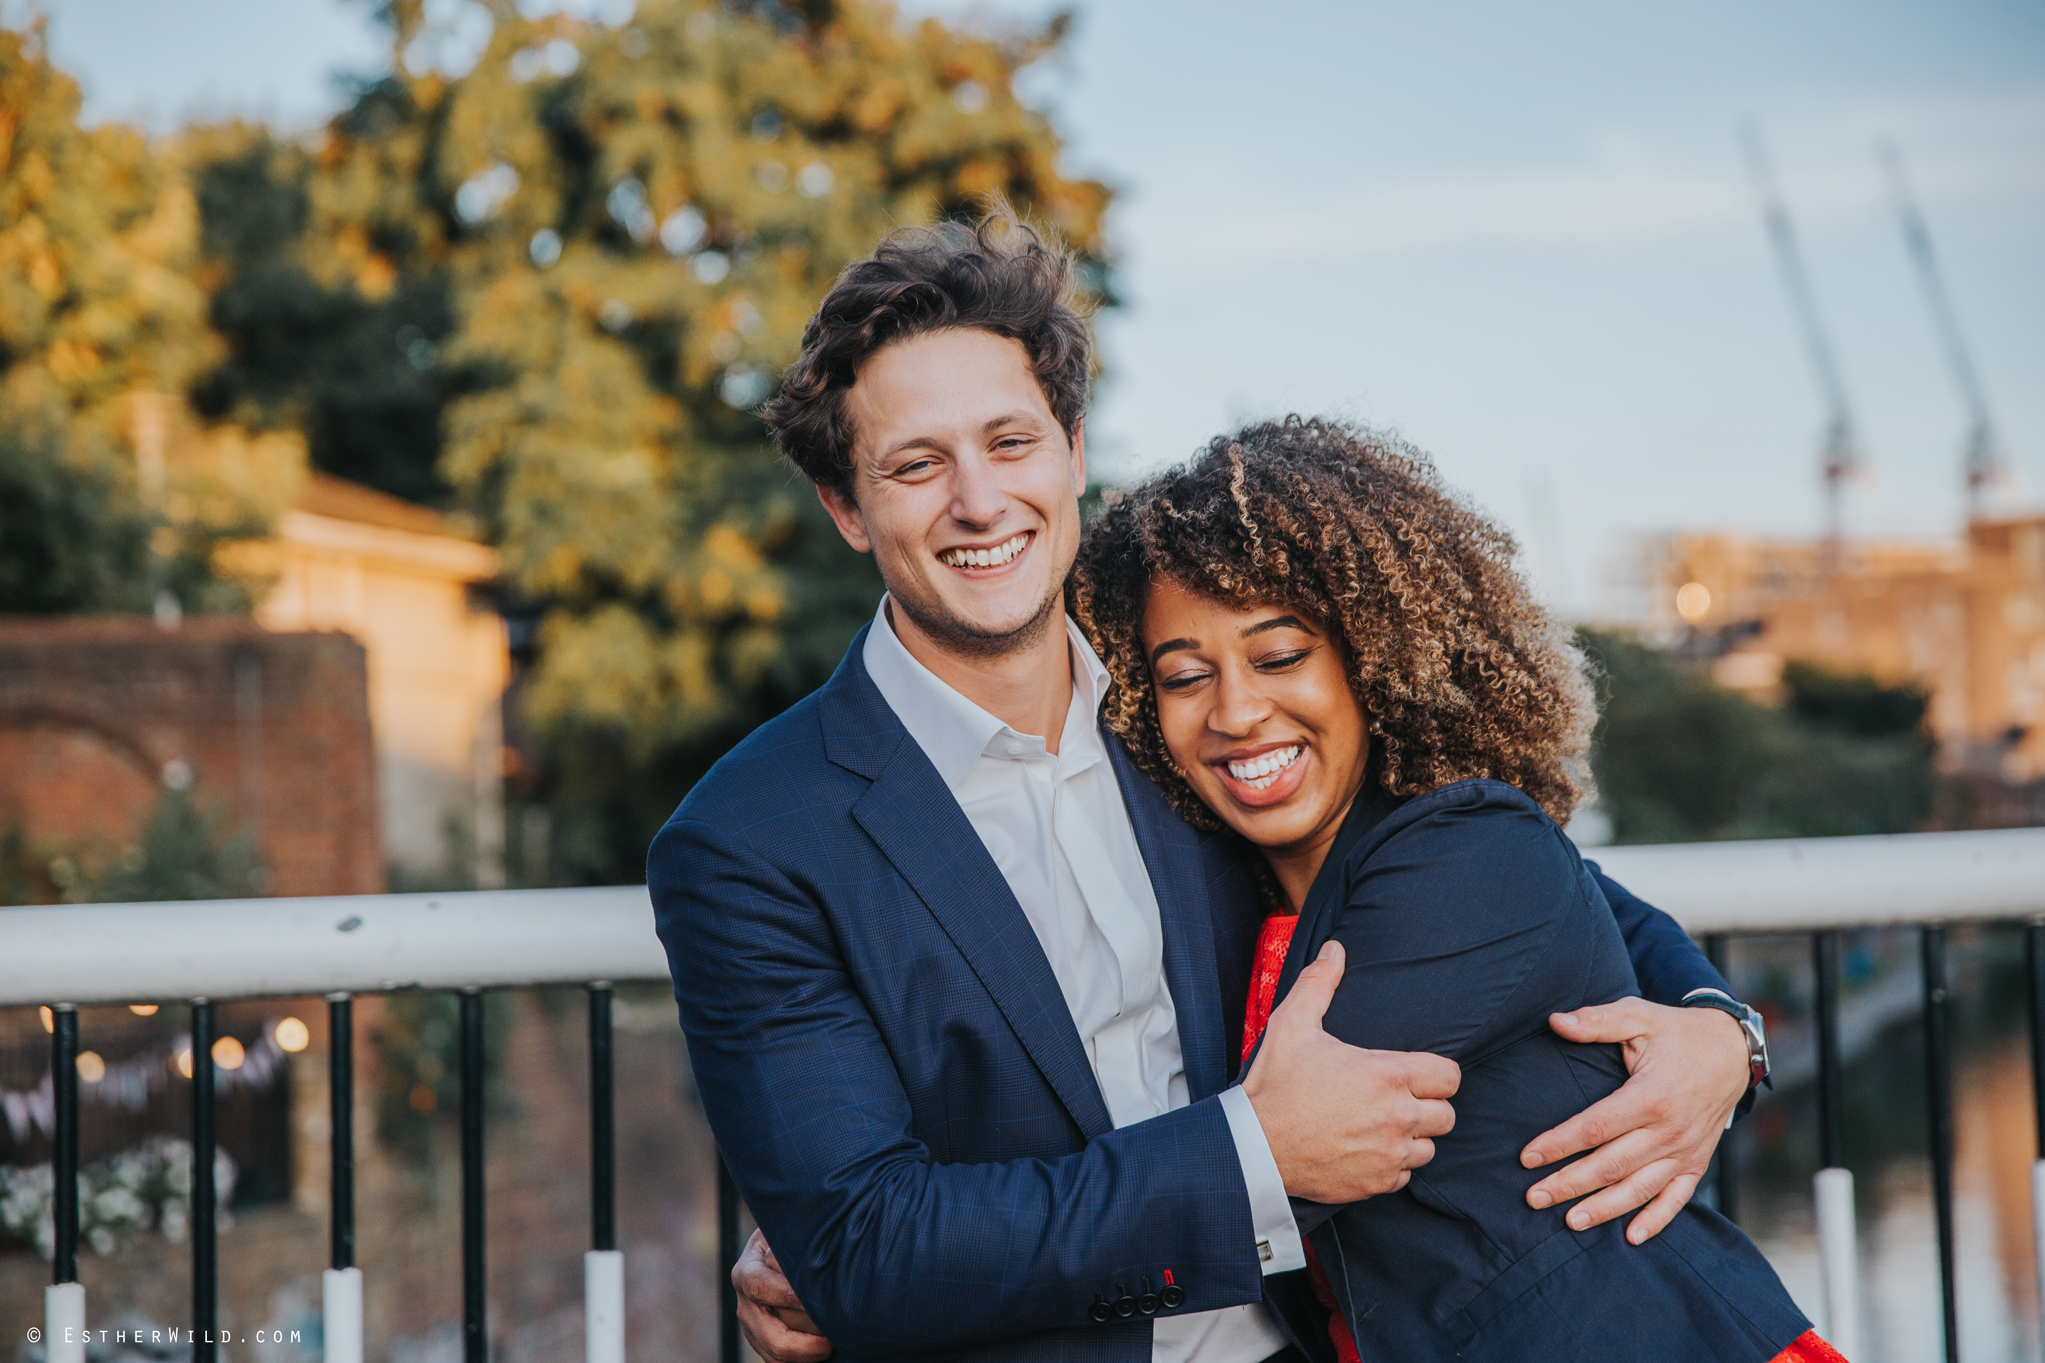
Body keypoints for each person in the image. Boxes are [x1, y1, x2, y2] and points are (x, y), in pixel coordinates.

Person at [647, 208, 1762, 1363]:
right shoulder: (748, 839)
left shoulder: (1186, 696)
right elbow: (869, 1249)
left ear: (1072, 450)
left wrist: (1717, 1031)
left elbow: (1499, 865)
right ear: (846, 507)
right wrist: (1256, 1158)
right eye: (915, 465)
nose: (977, 502)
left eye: (1010, 443)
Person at [1066, 417, 1839, 1362]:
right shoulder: (1237, 880)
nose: (1233, 711)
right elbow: (1613, 904)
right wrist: (1724, 1022)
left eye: (1279, 656)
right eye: (1184, 675)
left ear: (1374, 657)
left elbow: (1256, 1171)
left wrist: (895, 1263)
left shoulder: (1464, 851)